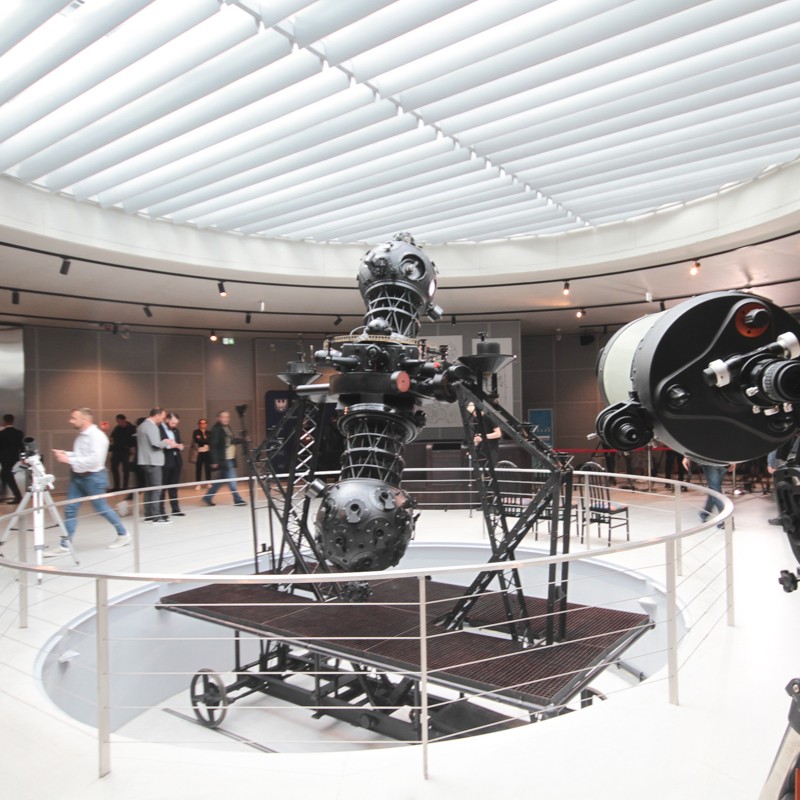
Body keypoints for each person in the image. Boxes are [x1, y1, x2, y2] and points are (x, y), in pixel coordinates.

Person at [52, 407, 129, 550]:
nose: (70, 421)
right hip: (78, 477)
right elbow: (81, 455)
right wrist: (67, 454)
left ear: (85, 419)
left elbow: (94, 460)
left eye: (74, 418)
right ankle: (65, 545)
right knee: (70, 509)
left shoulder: (97, 437)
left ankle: (123, 534)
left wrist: (68, 460)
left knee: (101, 508)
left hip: (93, 478)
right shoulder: (82, 436)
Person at [137, 408, 177, 523]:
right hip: (153, 462)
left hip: (145, 461)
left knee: (149, 489)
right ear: (157, 415)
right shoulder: (152, 426)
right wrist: (166, 442)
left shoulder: (141, 426)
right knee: (156, 489)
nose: (163, 419)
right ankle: (156, 516)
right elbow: (156, 444)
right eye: (163, 417)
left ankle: (148, 514)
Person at [202, 410, 247, 507]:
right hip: (224, 459)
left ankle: (207, 497)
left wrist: (241, 440)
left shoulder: (227, 428)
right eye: (224, 417)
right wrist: (214, 461)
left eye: (227, 417)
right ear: (218, 418)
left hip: (229, 458)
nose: (226, 419)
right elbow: (213, 446)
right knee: (232, 478)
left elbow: (231, 441)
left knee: (220, 479)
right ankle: (237, 499)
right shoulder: (216, 429)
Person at [683, 456, 730, 525]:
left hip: (710, 461)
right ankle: (705, 514)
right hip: (724, 461)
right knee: (714, 489)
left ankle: (727, 519)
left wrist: (687, 457)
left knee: (715, 491)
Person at [159, 412, 184, 516]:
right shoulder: (159, 429)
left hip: (176, 460)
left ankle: (175, 508)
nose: (174, 425)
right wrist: (170, 445)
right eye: (173, 423)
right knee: (163, 487)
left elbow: (179, 442)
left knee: (173, 486)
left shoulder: (175, 430)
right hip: (165, 460)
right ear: (167, 420)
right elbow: (158, 444)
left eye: (176, 423)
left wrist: (180, 446)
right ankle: (161, 510)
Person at [0, 413, 24, 504]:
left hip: (3, 457)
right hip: (14, 457)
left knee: (7, 475)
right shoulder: (18, 433)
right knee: (3, 474)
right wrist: (23, 457)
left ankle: (17, 495)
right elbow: (21, 446)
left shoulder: (2, 433)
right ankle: (2, 494)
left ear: (4, 421)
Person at [109, 413, 136, 492]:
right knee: (114, 469)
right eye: (117, 421)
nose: (118, 423)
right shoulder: (117, 428)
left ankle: (125, 487)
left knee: (126, 470)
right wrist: (111, 439)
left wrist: (132, 448)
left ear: (124, 420)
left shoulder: (131, 428)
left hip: (125, 451)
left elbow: (134, 440)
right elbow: (112, 436)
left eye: (119, 421)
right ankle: (116, 486)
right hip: (116, 450)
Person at [191, 417, 212, 488]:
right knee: (198, 468)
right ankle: (198, 484)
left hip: (207, 452)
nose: (203, 424)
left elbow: (210, 441)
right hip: (199, 452)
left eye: (204, 423)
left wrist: (204, 440)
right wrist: (205, 440)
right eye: (201, 423)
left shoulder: (209, 432)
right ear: (199, 424)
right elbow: (198, 441)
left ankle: (208, 482)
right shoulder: (196, 432)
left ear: (206, 424)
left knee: (208, 468)